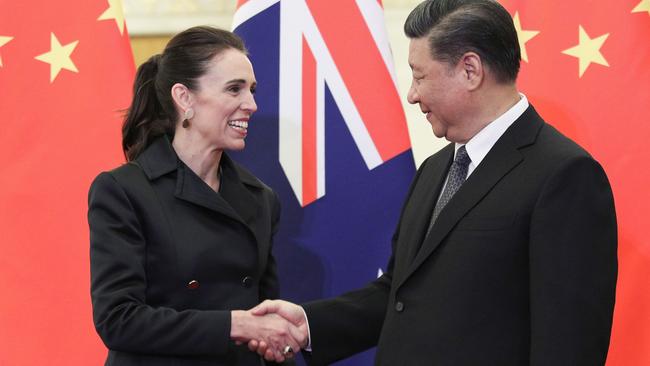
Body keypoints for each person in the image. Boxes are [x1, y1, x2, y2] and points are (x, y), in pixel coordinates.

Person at [249, 0, 618, 365]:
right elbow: (400, 294)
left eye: (419, 75)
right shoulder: (435, 168)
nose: (412, 94)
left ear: (470, 70)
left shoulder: (564, 175)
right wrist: (308, 325)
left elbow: (569, 344)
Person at [88, 26, 305, 366]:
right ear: (184, 97)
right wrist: (235, 324)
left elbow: (264, 317)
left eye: (251, 90)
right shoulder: (124, 190)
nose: (251, 104)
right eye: (234, 89)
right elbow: (118, 319)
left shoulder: (261, 198)